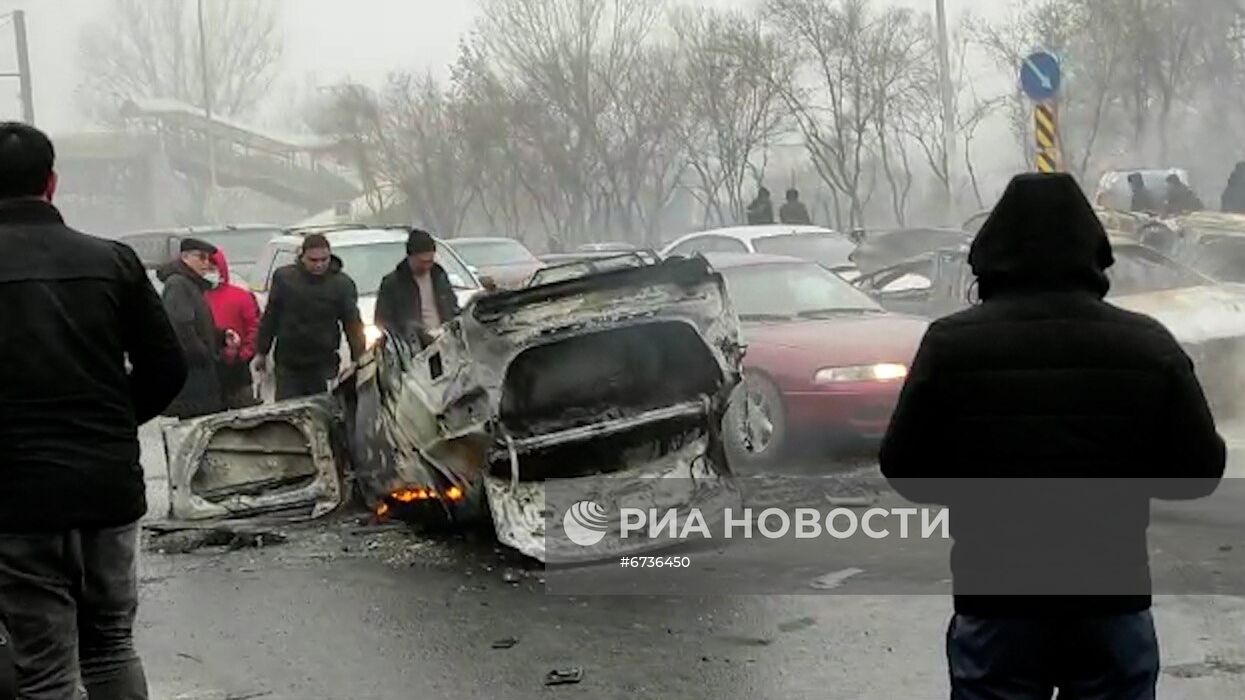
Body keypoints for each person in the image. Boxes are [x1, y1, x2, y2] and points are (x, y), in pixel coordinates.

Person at [879, 172, 1225, 700]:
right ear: (1094, 252)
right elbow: (1199, 472)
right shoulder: (1145, 344)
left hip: (996, 598)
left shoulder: (951, 346)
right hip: (1111, 596)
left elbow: (904, 467)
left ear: (991, 254)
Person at [0, 122, 186, 699]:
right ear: (52, 183)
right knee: (109, 647)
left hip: (17, 498)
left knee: (47, 668)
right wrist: (107, 425)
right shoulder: (113, 262)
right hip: (106, 490)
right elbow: (167, 369)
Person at [254, 234, 366, 401]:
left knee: (324, 411)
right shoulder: (285, 279)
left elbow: (353, 324)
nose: (319, 265)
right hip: (289, 362)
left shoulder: (341, 284)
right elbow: (271, 315)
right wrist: (262, 351)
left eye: (324, 259)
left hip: (323, 362)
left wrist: (359, 359)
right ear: (302, 257)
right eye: (313, 260)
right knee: (288, 412)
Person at [158, 238, 237, 419]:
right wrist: (203, 355)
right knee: (196, 424)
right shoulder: (178, 284)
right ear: (185, 257)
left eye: (210, 259)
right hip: (192, 375)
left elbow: (200, 327)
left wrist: (221, 336)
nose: (207, 264)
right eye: (202, 257)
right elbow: (182, 328)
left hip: (201, 372)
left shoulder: (192, 285)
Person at [375, 228, 462, 347]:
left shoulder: (439, 276)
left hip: (444, 341)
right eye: (422, 261)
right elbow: (382, 320)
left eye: (430, 261)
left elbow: (452, 306)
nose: (427, 266)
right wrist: (409, 332)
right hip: (412, 347)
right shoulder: (393, 283)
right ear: (411, 257)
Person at [205, 248, 261, 409]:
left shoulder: (241, 296)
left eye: (213, 267)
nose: (209, 272)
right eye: (206, 267)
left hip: (238, 368)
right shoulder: (195, 297)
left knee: (246, 419)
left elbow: (254, 327)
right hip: (209, 370)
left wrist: (245, 354)